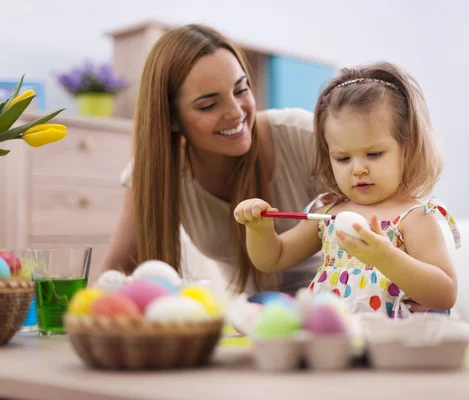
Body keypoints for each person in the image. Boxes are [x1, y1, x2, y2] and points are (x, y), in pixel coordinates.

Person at [102, 24, 321, 295]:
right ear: (170, 118)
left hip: (337, 307)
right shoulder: (154, 171)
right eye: (209, 105)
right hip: (251, 318)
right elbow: (118, 273)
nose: (236, 112)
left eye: (241, 90)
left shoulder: (305, 136)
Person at [234, 62, 461, 318]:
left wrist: (386, 257)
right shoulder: (331, 213)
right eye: (343, 158)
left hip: (391, 341)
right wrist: (258, 229)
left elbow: (445, 294)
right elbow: (274, 258)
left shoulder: (414, 217)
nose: (358, 169)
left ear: (406, 149)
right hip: (333, 338)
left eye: (373, 154)